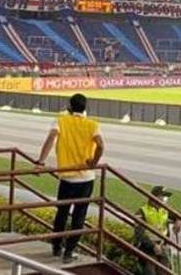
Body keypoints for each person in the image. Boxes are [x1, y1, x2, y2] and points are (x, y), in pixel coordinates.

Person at [36, 93, 104, 263]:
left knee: (62, 212)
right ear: (85, 107)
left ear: (69, 106)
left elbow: (51, 138)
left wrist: (41, 162)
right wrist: (94, 162)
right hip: (86, 178)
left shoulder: (61, 121)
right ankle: (69, 252)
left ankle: (57, 247)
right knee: (79, 217)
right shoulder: (93, 125)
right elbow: (101, 145)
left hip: (66, 177)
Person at [133, 185, 174, 275]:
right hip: (147, 247)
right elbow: (139, 234)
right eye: (162, 196)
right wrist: (153, 246)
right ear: (154, 197)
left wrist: (179, 221)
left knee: (164, 270)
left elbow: (179, 215)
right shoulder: (142, 211)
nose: (164, 199)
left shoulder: (165, 209)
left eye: (165, 196)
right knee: (150, 271)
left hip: (162, 245)